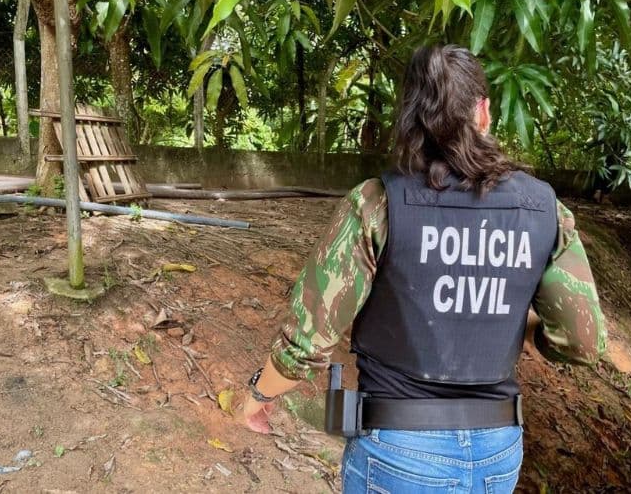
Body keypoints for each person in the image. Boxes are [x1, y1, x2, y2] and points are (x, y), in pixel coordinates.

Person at [241, 45, 606, 493]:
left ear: (410, 118)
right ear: (484, 113)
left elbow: (310, 334)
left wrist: (261, 395)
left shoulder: (377, 204)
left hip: (400, 450)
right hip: (497, 451)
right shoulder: (545, 210)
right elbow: (584, 340)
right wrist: (524, 325)